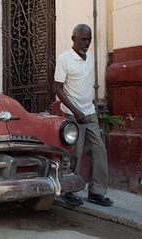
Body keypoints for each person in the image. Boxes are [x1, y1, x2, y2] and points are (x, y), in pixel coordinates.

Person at [54, 24, 113, 207]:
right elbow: (58, 89)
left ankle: (96, 191)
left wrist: (89, 107)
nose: (86, 43)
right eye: (83, 39)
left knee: (99, 151)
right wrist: (75, 111)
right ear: (73, 39)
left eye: (89, 39)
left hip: (90, 113)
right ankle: (69, 191)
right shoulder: (64, 59)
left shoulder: (90, 58)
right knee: (75, 154)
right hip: (73, 115)